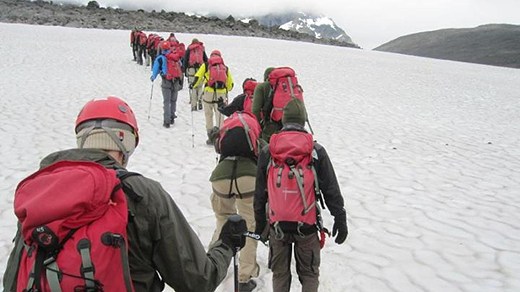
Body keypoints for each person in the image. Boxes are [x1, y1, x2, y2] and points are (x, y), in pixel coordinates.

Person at [2, 96, 247, 292]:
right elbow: (197, 281)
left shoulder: (39, 192)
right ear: (126, 143)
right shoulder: (142, 193)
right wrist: (225, 245)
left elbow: (13, 279)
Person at [254, 99, 348, 292]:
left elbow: (260, 194)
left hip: (277, 225)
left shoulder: (269, 151)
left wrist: (261, 226)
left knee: (280, 274)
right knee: (309, 274)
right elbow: (330, 189)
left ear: (283, 120)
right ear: (304, 120)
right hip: (307, 226)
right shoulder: (315, 151)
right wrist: (340, 216)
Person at [209, 111, 263, 292]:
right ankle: (244, 278)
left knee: (223, 220)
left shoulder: (227, 126)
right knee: (249, 225)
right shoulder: (253, 126)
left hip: (221, 177)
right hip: (248, 177)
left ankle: (211, 266)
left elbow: (218, 147)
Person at [190, 49, 234, 145]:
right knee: (220, 116)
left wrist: (192, 85)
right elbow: (230, 85)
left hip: (208, 93)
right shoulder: (225, 68)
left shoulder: (206, 65)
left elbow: (198, 77)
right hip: (221, 95)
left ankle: (210, 137)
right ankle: (219, 137)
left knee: (208, 115)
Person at [151, 41, 183, 128]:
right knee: (173, 100)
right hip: (175, 81)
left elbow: (155, 69)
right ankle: (172, 117)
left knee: (166, 101)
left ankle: (167, 121)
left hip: (166, 81)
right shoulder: (175, 57)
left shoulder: (160, 58)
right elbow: (181, 65)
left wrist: (153, 77)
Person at [251, 67, 277, 142]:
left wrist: (259, 126)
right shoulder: (287, 87)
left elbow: (255, 110)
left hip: (270, 128)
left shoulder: (261, 87)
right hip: (289, 127)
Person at [183, 38, 208, 111]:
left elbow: (185, 60)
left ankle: (194, 105)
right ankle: (200, 100)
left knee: (193, 86)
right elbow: (206, 60)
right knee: (200, 86)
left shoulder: (189, 49)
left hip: (191, 69)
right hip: (200, 69)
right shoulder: (201, 48)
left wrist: (185, 71)